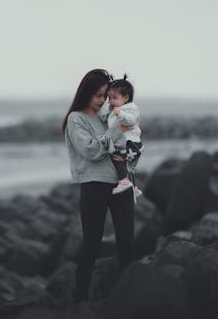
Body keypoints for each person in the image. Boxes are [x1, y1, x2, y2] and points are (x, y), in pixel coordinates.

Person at [62, 69, 135, 305]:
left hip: (121, 183)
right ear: (86, 93)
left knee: (127, 243)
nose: (102, 100)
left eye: (105, 95)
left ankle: (129, 297)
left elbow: (127, 144)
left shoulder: (110, 116)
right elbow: (91, 150)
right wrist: (115, 133)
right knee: (92, 244)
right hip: (94, 185)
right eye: (97, 95)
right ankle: (79, 299)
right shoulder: (76, 119)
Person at [99, 74, 143, 198]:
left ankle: (124, 182)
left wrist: (121, 114)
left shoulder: (130, 108)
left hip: (131, 143)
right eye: (109, 98)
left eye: (114, 97)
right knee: (128, 167)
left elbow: (132, 120)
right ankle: (133, 188)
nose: (111, 101)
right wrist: (107, 110)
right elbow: (104, 118)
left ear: (126, 97)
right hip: (124, 142)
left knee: (117, 158)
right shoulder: (114, 109)